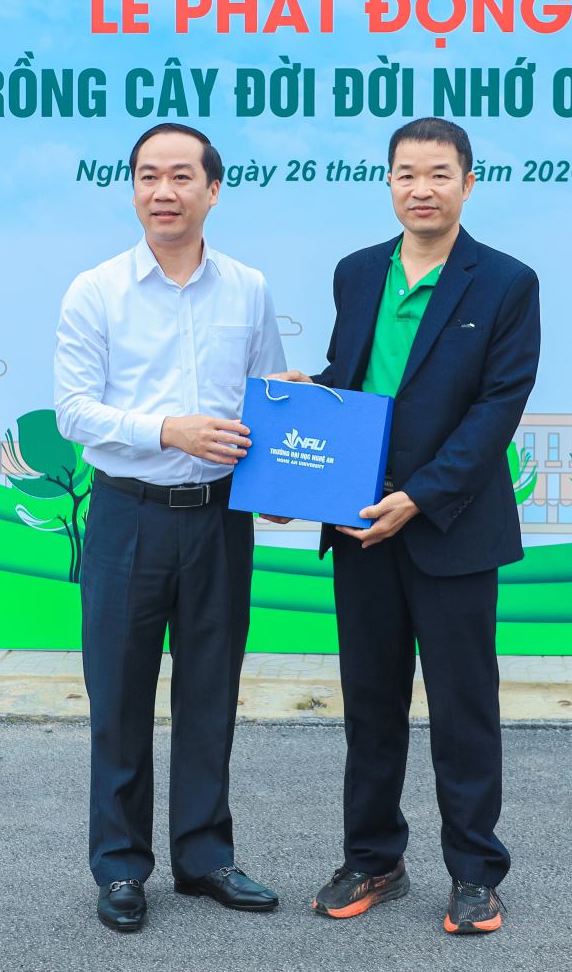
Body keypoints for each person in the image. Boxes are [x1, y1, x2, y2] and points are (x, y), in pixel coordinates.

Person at [301, 117, 541, 935]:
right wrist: (305, 408)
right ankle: (373, 859)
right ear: (389, 183)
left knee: (463, 710)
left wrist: (421, 496)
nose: (421, 189)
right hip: (361, 525)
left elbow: (496, 408)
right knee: (370, 706)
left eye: (439, 174)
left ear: (468, 184)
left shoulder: (505, 282)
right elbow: (352, 381)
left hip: (451, 527)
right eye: (406, 174)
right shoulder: (357, 271)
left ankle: (475, 873)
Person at [54, 122, 287, 932]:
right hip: (129, 515)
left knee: (210, 692)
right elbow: (73, 411)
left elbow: (267, 394)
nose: (164, 191)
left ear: (212, 190)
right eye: (149, 176)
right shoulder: (96, 290)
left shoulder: (248, 289)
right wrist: (168, 430)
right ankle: (121, 867)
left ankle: (205, 856)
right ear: (133, 190)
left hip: (219, 520)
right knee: (119, 698)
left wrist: (278, 481)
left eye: (182, 176)